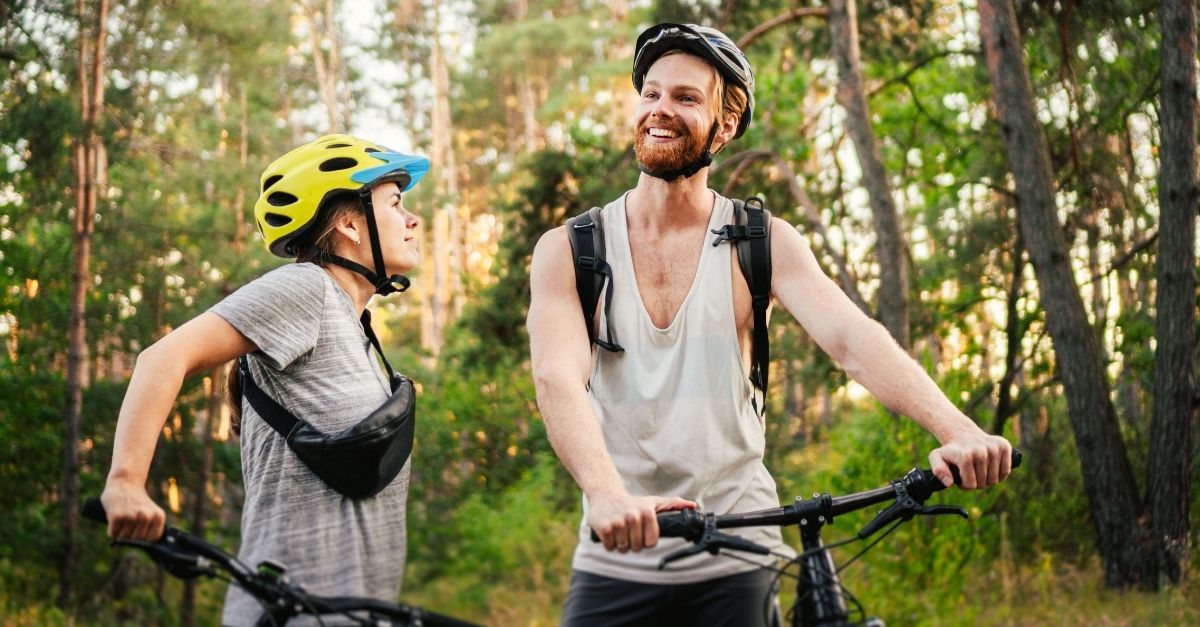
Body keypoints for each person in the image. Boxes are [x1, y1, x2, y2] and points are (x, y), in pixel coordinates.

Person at [526, 23, 1013, 626]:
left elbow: (852, 340)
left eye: (686, 97)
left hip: (741, 550)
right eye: (651, 93)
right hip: (616, 555)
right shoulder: (570, 249)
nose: (661, 110)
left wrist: (958, 429)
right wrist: (605, 495)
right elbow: (557, 379)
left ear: (724, 127)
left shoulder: (759, 242)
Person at [99, 134, 429, 626]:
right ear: (348, 224)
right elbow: (162, 358)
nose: (412, 219)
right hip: (286, 613)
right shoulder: (307, 289)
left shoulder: (357, 329)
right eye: (395, 203)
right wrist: (125, 483)